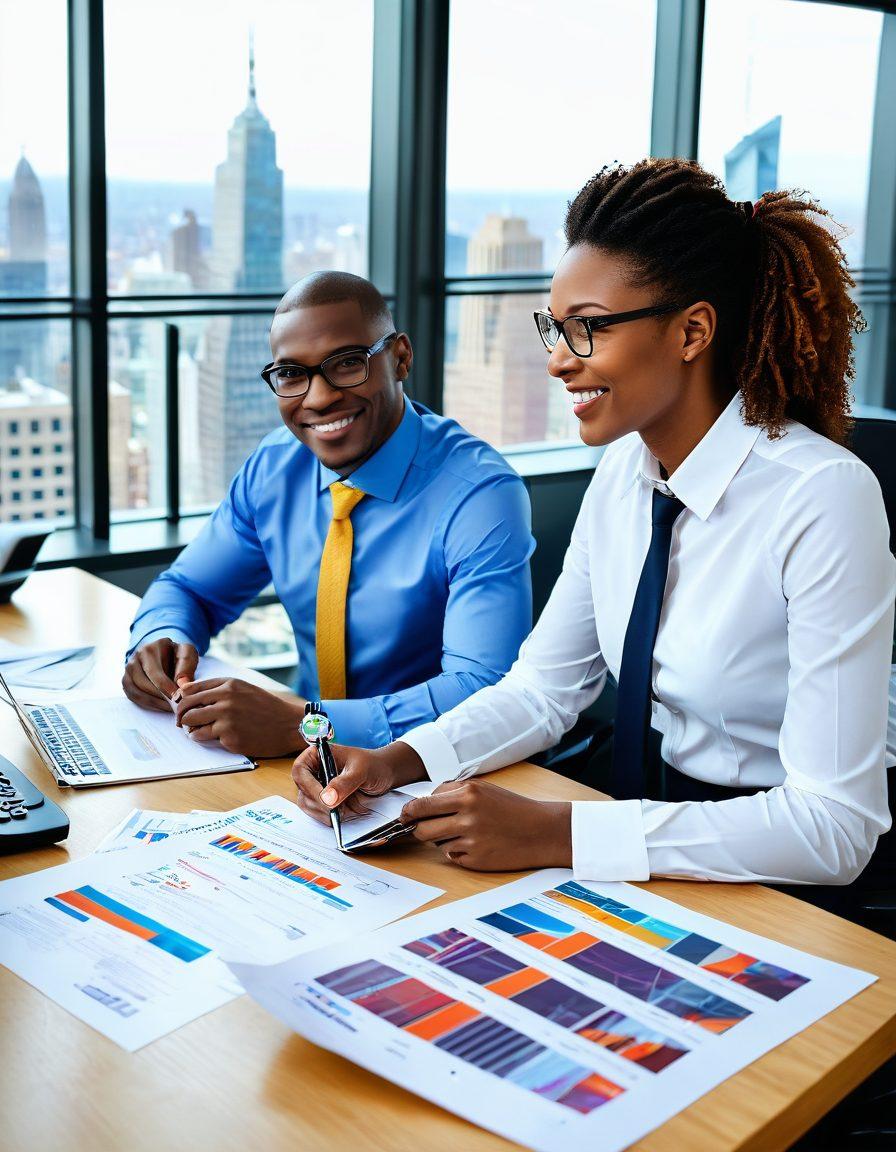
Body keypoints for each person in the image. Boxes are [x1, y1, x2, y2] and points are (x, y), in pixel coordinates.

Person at [294, 159, 896, 892]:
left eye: (587, 330)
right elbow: (543, 690)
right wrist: (396, 762)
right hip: (651, 828)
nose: (556, 361)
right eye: (556, 328)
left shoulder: (822, 497)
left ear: (692, 331)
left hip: (790, 865)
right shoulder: (624, 473)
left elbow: (833, 827)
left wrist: (559, 832)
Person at [124, 271, 533, 757]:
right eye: (292, 374)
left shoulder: (480, 494)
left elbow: (482, 690)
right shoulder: (275, 467)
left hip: (442, 771)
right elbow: (188, 589)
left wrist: (309, 725)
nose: (318, 398)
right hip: (302, 769)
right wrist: (162, 638)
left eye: (346, 364)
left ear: (400, 357)